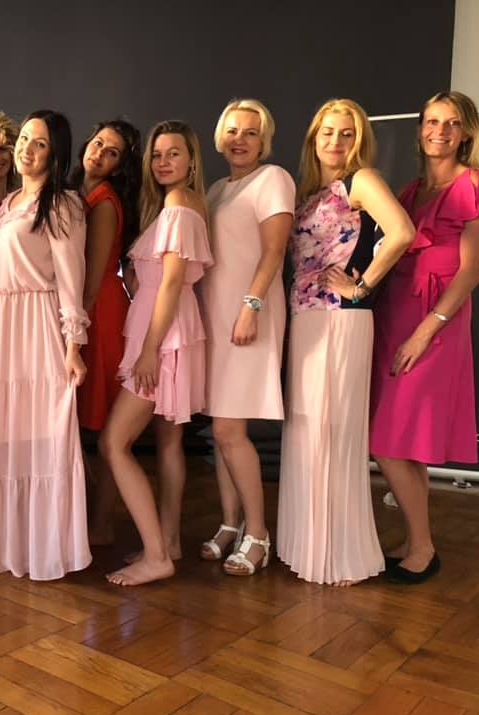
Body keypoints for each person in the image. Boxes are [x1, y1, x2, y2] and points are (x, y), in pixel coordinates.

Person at [370, 91, 479, 584]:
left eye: (451, 123)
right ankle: (415, 539)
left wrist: (425, 332)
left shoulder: (475, 184)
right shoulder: (411, 191)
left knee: (386, 443)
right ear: (420, 128)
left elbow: (471, 272)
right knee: (403, 444)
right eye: (431, 121)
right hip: (394, 316)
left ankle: (423, 547)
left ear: (466, 132)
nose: (439, 132)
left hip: (434, 325)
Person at [277, 98, 414, 587]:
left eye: (347, 133)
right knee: (309, 431)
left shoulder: (362, 181)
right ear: (314, 138)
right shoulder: (309, 191)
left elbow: (402, 232)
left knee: (334, 435)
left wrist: (362, 286)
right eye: (328, 132)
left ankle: (339, 555)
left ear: (359, 140)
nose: (336, 141)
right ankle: (306, 546)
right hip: (306, 321)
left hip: (341, 320)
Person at [0, 109, 91, 581]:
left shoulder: (62, 204)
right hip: (2, 326)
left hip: (38, 325)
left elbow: (70, 278)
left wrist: (73, 344)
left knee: (46, 436)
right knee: (8, 434)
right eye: (23, 138)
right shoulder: (7, 203)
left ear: (55, 153)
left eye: (39, 142)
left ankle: (47, 548)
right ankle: (13, 545)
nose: (26, 148)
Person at [100, 120, 212, 587]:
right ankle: (169, 541)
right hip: (169, 330)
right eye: (157, 154)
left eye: (174, 153)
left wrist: (149, 351)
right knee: (169, 442)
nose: (163, 162)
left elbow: (170, 283)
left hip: (161, 338)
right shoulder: (176, 205)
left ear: (191, 160)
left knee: (114, 443)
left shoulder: (179, 205)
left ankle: (155, 554)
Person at [200, 99, 294, 575]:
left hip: (247, 316)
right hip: (214, 318)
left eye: (251, 132)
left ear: (264, 141)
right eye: (233, 130)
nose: (240, 139)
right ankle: (230, 522)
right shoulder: (217, 189)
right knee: (220, 431)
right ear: (220, 137)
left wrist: (250, 307)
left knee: (228, 430)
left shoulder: (273, 179)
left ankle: (258, 532)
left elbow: (274, 251)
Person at [67, 119, 141, 545]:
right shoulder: (77, 192)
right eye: (98, 144)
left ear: (119, 165)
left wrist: (74, 329)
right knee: (79, 423)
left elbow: (93, 279)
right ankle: (86, 516)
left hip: (100, 313)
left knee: (101, 424)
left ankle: (101, 524)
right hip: (88, 309)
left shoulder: (105, 202)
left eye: (111, 152)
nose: (99, 154)